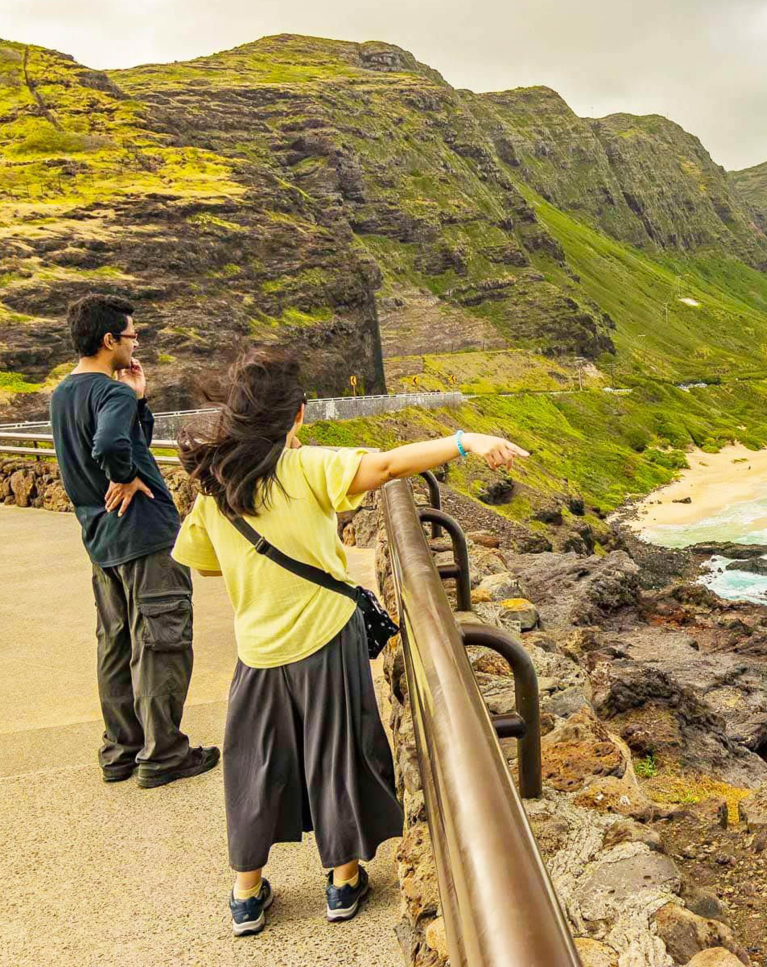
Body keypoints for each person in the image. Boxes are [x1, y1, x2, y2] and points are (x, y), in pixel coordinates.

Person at [172, 348, 529, 937]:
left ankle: (247, 891)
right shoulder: (308, 467)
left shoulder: (216, 487)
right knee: (334, 751)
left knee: (255, 762)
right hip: (323, 636)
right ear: (298, 417)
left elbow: (203, 563)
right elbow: (387, 467)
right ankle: (341, 881)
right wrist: (464, 440)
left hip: (258, 649)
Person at [50, 294, 219, 787]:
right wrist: (123, 474)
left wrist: (139, 399)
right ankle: (164, 753)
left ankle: (120, 750)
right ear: (108, 341)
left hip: (102, 540)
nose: (136, 342)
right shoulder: (111, 393)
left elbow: (111, 438)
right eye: (131, 335)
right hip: (144, 536)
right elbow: (109, 444)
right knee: (162, 642)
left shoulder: (64, 394)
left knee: (116, 643)